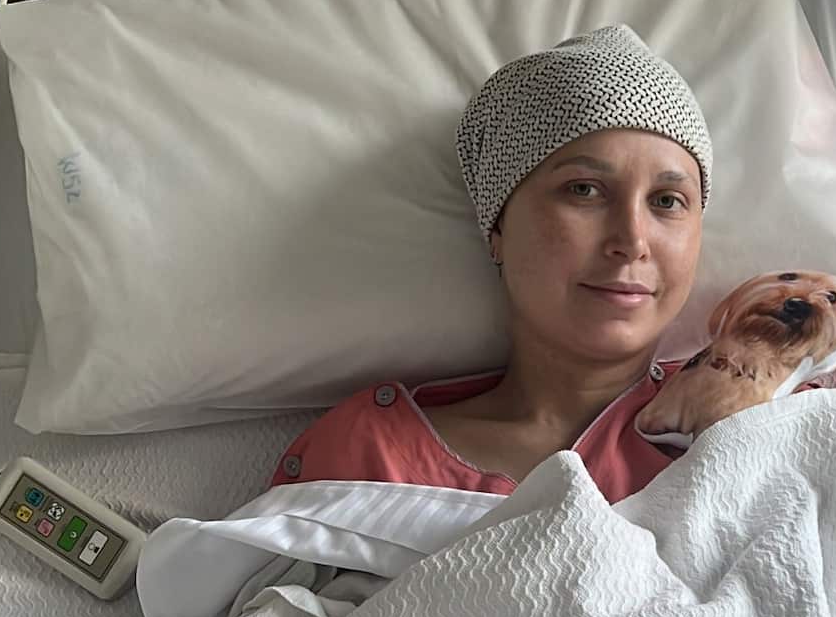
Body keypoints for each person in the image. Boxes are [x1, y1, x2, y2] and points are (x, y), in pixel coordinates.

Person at [270, 25, 712, 503]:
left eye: (667, 200)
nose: (632, 240)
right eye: (584, 190)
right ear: (497, 228)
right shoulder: (371, 461)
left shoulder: (755, 421)